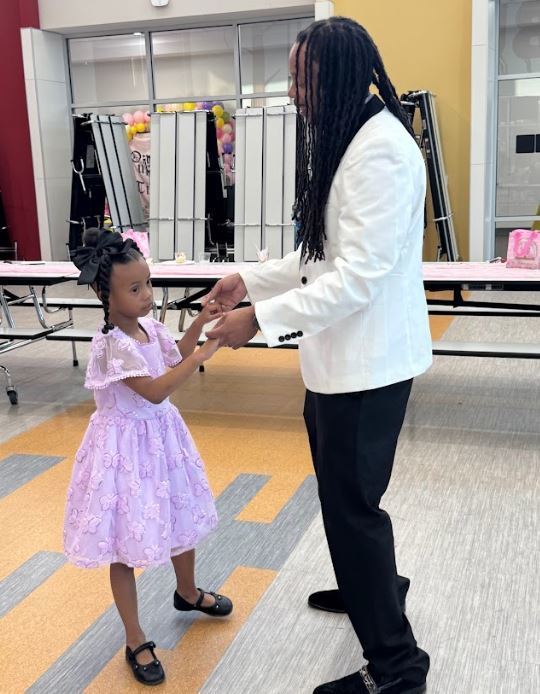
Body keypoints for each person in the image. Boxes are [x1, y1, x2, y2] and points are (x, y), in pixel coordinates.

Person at [204, 17, 431, 694]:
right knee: (345, 501)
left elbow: (356, 279)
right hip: (342, 364)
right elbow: (321, 258)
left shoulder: (381, 150)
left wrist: (259, 320)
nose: (296, 92)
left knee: (351, 509)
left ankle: (396, 668)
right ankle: (376, 586)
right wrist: (249, 278)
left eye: (305, 79)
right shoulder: (352, 135)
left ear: (337, 75)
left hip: (369, 368)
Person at [64, 228, 232, 687]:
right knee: (123, 544)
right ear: (105, 293)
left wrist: (198, 324)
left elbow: (169, 355)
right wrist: (204, 354)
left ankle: (187, 591)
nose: (147, 296)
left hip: (161, 443)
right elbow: (156, 390)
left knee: (182, 515)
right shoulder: (110, 345)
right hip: (124, 454)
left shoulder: (147, 327)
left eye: (148, 285)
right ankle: (134, 636)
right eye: (135, 289)